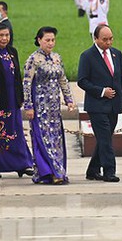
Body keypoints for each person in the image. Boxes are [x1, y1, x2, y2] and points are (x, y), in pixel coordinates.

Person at [22, 26, 75, 184]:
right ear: (39, 40)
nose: (50, 43)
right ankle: (50, 172)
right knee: (43, 138)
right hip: (40, 107)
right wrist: (28, 106)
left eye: (53, 40)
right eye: (47, 40)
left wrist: (69, 99)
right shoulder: (33, 59)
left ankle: (58, 170)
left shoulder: (56, 57)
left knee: (56, 139)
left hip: (54, 107)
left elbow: (63, 80)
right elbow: (26, 83)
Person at [77, 25, 122, 182]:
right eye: (105, 39)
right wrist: (101, 91)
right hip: (97, 105)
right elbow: (82, 81)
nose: (109, 42)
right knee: (106, 139)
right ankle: (109, 171)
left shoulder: (116, 54)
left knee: (103, 139)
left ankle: (92, 170)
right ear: (96, 39)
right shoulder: (87, 56)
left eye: (111, 39)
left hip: (114, 105)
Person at [0, 23, 33, 178]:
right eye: (1, 35)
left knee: (16, 133)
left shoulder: (12, 52)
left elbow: (17, 76)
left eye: (7, 35)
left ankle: (22, 164)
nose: (4, 38)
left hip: (13, 100)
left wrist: (21, 98)